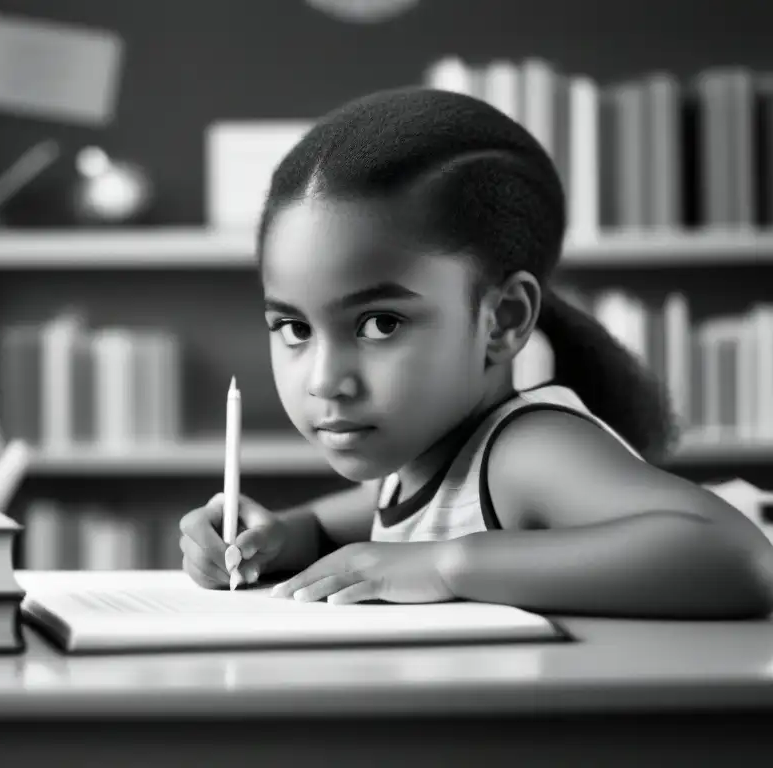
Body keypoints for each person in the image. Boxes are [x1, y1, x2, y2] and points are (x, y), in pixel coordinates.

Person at [179, 86, 773, 619]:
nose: (325, 380)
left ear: (503, 320)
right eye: (294, 328)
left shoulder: (527, 452)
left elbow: (739, 557)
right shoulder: (429, 452)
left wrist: (446, 567)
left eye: (380, 324)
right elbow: (385, 509)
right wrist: (287, 534)